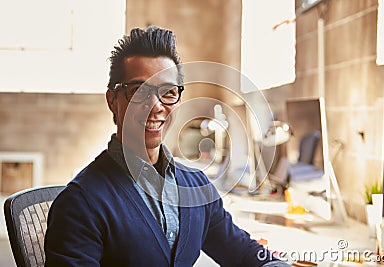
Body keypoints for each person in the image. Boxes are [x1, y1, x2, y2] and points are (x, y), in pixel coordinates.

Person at [44, 26, 289, 267]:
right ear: (112, 100)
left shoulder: (196, 187)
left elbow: (242, 252)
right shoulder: (80, 203)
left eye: (168, 92)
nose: (156, 106)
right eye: (138, 90)